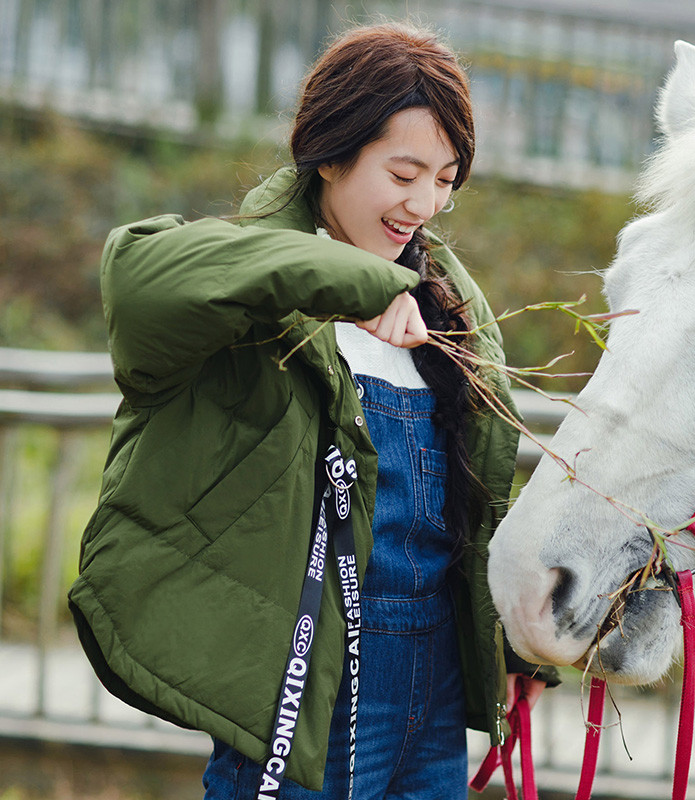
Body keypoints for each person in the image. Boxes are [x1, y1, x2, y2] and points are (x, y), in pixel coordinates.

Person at [68, 21, 557, 799]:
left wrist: (511, 648)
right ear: (330, 154)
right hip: (307, 695)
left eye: (445, 180)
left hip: (431, 698)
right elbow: (135, 276)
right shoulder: (243, 290)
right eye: (404, 173)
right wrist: (353, 282)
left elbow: (471, 512)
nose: (424, 204)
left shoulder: (449, 309)